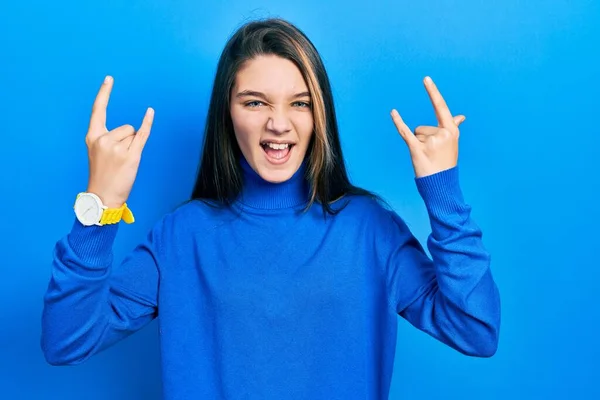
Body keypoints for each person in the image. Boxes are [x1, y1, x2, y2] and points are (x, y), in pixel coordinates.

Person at [41, 17, 501, 400]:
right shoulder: (182, 236)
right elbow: (66, 340)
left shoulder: (370, 231)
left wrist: (443, 191)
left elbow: (475, 329)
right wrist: (100, 204)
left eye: (299, 103)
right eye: (255, 102)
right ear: (229, 112)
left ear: (319, 114)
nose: (278, 123)